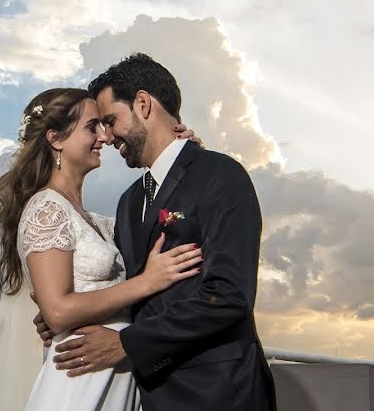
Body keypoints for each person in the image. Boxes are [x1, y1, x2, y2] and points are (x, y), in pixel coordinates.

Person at [44, 54, 277, 410]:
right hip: (148, 394)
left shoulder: (220, 174)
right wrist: (69, 314)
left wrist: (127, 344)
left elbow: (229, 294)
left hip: (218, 392)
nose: (106, 137)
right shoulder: (129, 200)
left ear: (142, 104)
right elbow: (124, 286)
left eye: (110, 120)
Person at [0, 87, 203, 410]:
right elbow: (58, 312)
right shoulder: (46, 209)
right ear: (56, 139)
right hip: (78, 385)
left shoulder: (101, 224)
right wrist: (146, 282)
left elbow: (161, 228)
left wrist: (187, 156)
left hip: (115, 378)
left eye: (103, 126)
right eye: (92, 127)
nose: (104, 137)